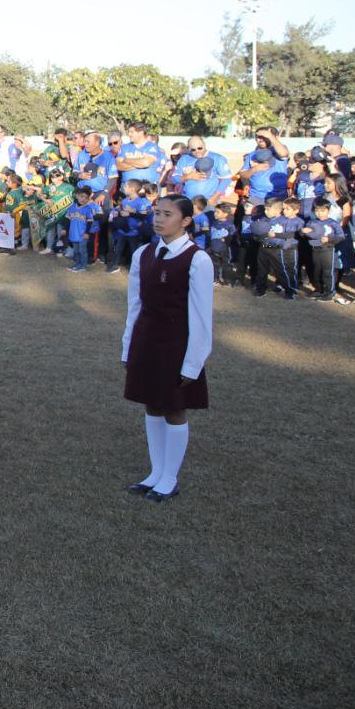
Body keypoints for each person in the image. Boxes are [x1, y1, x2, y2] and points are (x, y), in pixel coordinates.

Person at [121, 194, 213, 503]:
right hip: (147, 338)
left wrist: (193, 363)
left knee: (174, 407)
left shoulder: (197, 259)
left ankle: (170, 478)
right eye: (156, 213)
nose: (158, 219)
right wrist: (127, 347)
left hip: (177, 342)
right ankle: (155, 472)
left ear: (186, 221)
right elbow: (134, 305)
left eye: (168, 214)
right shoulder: (143, 253)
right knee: (151, 403)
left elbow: (202, 317)